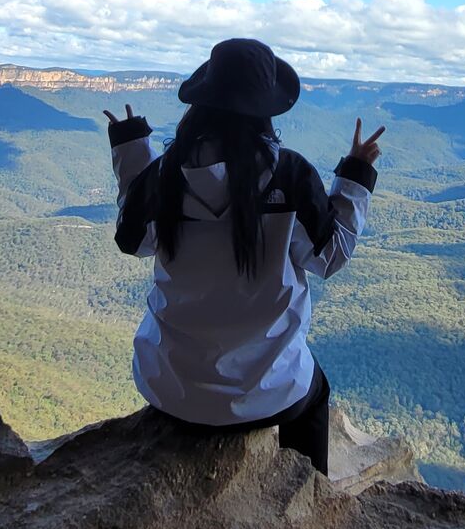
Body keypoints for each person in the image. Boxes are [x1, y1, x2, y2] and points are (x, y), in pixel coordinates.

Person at [105, 37, 383, 476]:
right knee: (314, 393)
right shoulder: (290, 175)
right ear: (266, 110)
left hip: (171, 388)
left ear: (200, 105)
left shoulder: (165, 175)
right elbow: (329, 257)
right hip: (269, 396)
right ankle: (305, 497)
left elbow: (134, 241)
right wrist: (356, 174)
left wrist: (131, 150)